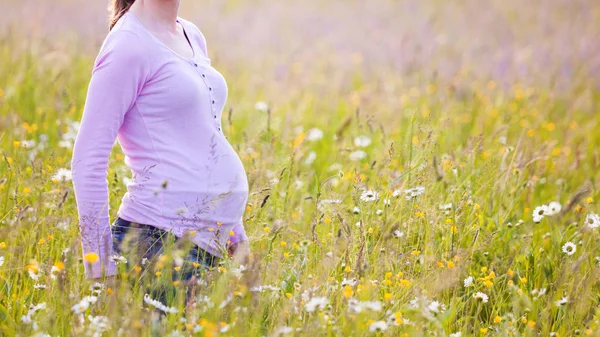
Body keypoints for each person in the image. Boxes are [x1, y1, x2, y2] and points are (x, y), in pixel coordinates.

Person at [70, 0, 252, 307]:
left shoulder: (190, 34)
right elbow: (87, 161)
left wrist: (238, 239)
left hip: (209, 245)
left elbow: (203, 141)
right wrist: (102, 272)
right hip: (157, 242)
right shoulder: (128, 45)